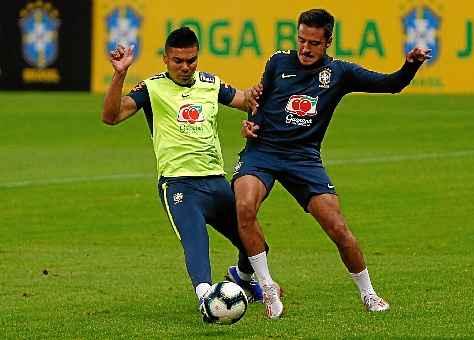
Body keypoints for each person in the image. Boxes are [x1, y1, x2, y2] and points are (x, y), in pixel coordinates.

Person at [234, 9, 431, 319]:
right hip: (263, 152)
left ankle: (368, 293)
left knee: (337, 227)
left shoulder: (339, 73)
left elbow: (391, 84)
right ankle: (267, 286)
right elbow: (259, 100)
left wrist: (411, 64)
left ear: (328, 42)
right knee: (244, 207)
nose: (305, 48)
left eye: (313, 42)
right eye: (301, 40)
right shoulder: (277, 62)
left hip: (304, 157)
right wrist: (251, 124)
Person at [101, 27, 267, 318]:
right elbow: (111, 116)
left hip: (216, 182)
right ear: (165, 59)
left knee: (257, 246)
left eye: (191, 60)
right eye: (178, 61)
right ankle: (208, 301)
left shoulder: (210, 83)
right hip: (179, 186)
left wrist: (253, 119)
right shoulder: (151, 88)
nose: (186, 67)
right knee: (196, 246)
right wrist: (119, 75)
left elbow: (247, 102)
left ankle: (241, 278)